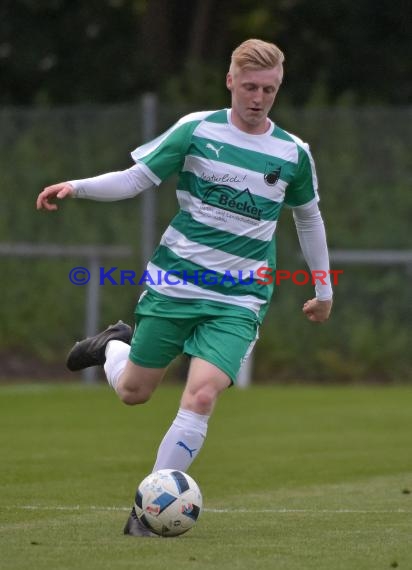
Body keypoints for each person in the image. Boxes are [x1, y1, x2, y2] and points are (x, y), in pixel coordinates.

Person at [36, 38, 333, 537]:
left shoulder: (293, 153)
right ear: (230, 82)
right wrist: (77, 186)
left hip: (239, 298)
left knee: (200, 397)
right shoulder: (196, 130)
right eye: (251, 87)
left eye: (270, 89)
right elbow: (135, 180)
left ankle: (147, 513)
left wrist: (323, 289)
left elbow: (309, 219)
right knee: (134, 392)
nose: (259, 98)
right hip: (175, 283)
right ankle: (113, 344)